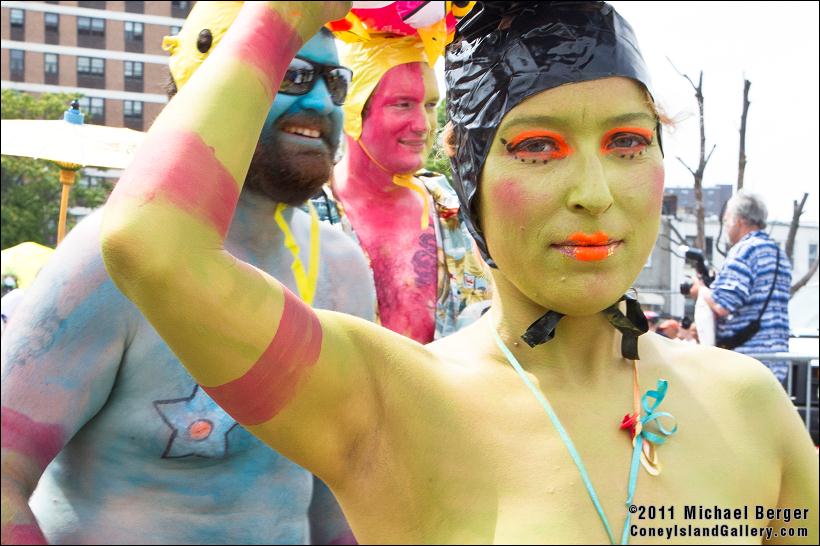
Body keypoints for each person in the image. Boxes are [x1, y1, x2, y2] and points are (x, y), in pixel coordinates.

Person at [100, 2, 819, 543]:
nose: (595, 192)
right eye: (538, 146)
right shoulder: (392, 403)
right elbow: (150, 244)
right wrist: (286, 14)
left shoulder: (750, 407)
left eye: (628, 141)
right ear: (469, 175)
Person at [1, 2, 374, 544]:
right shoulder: (112, 260)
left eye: (335, 81)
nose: (319, 101)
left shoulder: (342, 270)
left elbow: (339, 495)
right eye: (291, 75)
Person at [322, 11, 491, 344]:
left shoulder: (455, 210)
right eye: (402, 104)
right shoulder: (303, 215)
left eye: (430, 105)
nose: (424, 125)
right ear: (356, 109)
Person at [689, 191, 793, 384]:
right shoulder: (779, 254)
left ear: (739, 221)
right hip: (777, 360)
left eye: (727, 220)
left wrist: (700, 289)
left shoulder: (745, 250)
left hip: (746, 361)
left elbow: (722, 304)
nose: (726, 226)